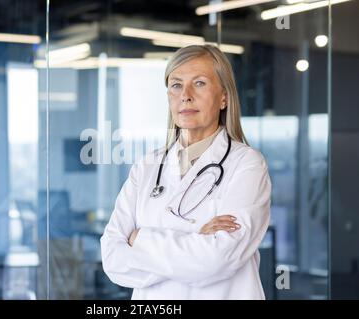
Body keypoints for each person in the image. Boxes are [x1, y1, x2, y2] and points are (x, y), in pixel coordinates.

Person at [100, 44, 272, 299]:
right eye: (176, 85)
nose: (186, 95)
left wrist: (141, 241)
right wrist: (195, 238)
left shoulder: (247, 164)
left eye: (199, 83)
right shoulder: (147, 167)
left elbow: (217, 260)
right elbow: (113, 261)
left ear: (224, 97)